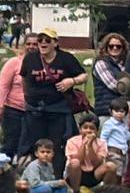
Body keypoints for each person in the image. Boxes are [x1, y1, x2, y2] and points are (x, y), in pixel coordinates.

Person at [19, 29, 86, 176]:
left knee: (56, 145)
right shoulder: (30, 59)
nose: (43, 43)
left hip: (58, 109)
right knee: (36, 144)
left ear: (55, 43)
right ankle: (35, 177)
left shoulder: (66, 58)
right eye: (40, 40)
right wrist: (27, 96)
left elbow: (84, 75)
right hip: (35, 109)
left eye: (47, 40)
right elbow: (24, 77)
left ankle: (56, 176)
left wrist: (72, 81)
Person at [0, 37, 30, 158]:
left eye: (35, 44)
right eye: (28, 43)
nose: (32, 46)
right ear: (24, 45)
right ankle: (4, 171)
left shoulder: (44, 64)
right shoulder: (14, 63)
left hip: (34, 111)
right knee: (11, 143)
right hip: (13, 109)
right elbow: (3, 85)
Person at [64, 116, 114, 192]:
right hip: (76, 174)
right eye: (85, 128)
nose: (88, 131)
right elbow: (77, 160)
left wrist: (90, 145)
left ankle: (105, 192)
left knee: (111, 166)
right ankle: (76, 191)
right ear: (80, 129)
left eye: (92, 128)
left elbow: (96, 163)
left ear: (97, 131)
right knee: (75, 162)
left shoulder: (101, 143)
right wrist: (84, 144)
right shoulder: (72, 141)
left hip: (93, 173)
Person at [91, 32, 130, 117]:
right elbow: (114, 86)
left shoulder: (125, 64)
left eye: (118, 46)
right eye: (111, 46)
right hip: (106, 111)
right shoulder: (101, 63)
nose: (115, 48)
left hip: (124, 110)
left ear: (123, 48)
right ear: (106, 47)